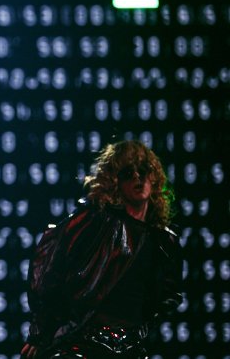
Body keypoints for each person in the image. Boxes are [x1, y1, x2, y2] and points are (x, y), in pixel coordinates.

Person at [21, 140, 182, 358]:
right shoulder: (94, 223)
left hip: (131, 348)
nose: (137, 177)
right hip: (84, 344)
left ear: (153, 178)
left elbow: (165, 297)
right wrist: (41, 331)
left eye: (143, 170)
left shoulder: (163, 242)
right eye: (128, 172)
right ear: (114, 181)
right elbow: (51, 269)